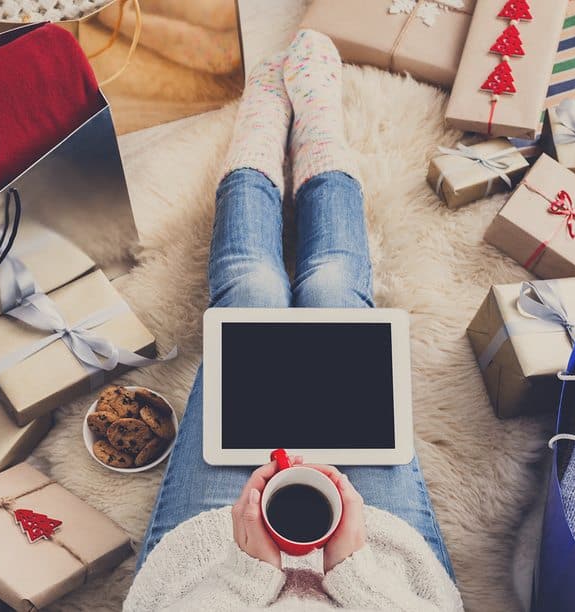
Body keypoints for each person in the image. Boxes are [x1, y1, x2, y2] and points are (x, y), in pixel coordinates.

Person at [124, 30, 463, 611]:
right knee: (336, 296)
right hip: (383, 568)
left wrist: (243, 576)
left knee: (249, 296)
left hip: (206, 575)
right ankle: (318, 133)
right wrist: (355, 573)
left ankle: (258, 137)